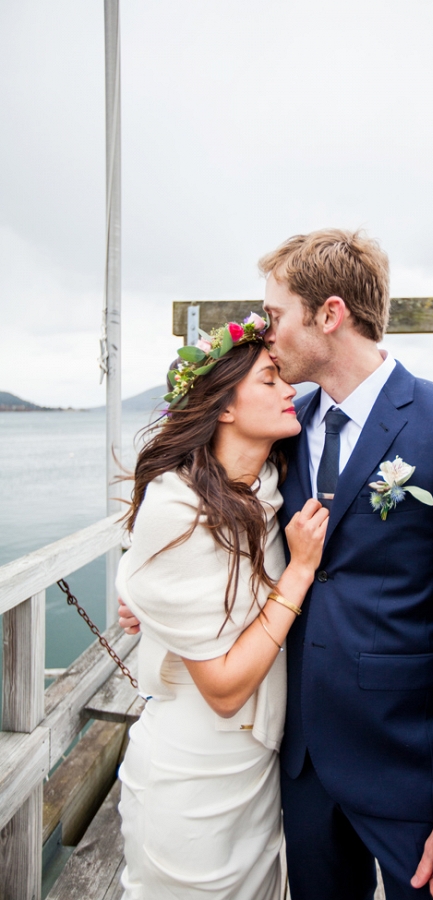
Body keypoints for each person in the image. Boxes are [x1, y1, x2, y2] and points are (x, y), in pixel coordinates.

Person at [120, 228, 433, 900]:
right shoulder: (284, 423)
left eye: (275, 316)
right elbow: (209, 519)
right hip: (299, 767)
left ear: (329, 315)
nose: (264, 332)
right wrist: (154, 604)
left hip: (410, 769)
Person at [115, 318, 329, 900]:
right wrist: (300, 572)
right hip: (194, 770)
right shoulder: (175, 506)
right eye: (270, 380)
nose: (290, 391)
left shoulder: (265, 485)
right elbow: (227, 687)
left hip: (256, 768)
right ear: (224, 408)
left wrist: (139, 595)